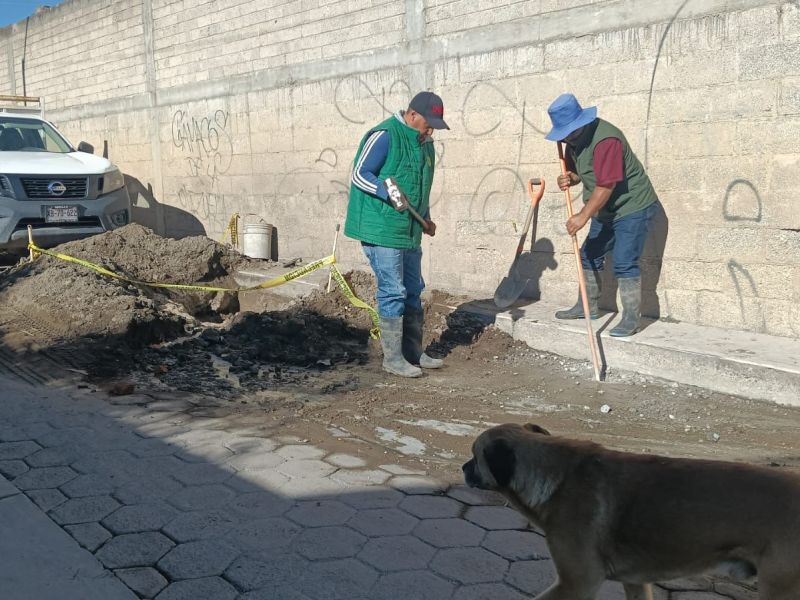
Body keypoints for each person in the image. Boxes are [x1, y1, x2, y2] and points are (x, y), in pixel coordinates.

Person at [344, 92, 448, 377]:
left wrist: (425, 219)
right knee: (393, 291)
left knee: (414, 290)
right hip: (381, 228)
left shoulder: (425, 145)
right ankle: (393, 359)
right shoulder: (385, 135)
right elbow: (359, 174)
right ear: (412, 115)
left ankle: (413, 353)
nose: (431, 130)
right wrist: (385, 191)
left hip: (409, 230)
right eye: (429, 123)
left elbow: (421, 187)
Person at [545, 93, 661, 337]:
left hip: (632, 206)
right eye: (562, 133)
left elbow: (605, 186)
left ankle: (631, 318)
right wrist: (569, 178)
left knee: (624, 260)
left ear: (580, 125)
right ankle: (587, 306)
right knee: (588, 254)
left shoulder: (606, 140)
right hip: (605, 208)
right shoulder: (572, 142)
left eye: (568, 132)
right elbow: (580, 173)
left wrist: (582, 216)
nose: (565, 137)